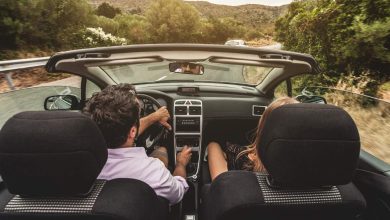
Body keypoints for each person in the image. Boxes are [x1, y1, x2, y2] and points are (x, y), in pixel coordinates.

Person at [83, 83, 192, 205]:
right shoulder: (153, 171)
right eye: (139, 113)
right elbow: (178, 193)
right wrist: (181, 164)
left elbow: (122, 129)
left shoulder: (79, 163)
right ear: (133, 131)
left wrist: (153, 117)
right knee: (162, 150)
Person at [207, 97, 298, 181]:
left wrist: (213, 146)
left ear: (262, 128)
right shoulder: (308, 172)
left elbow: (221, 187)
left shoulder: (241, 159)